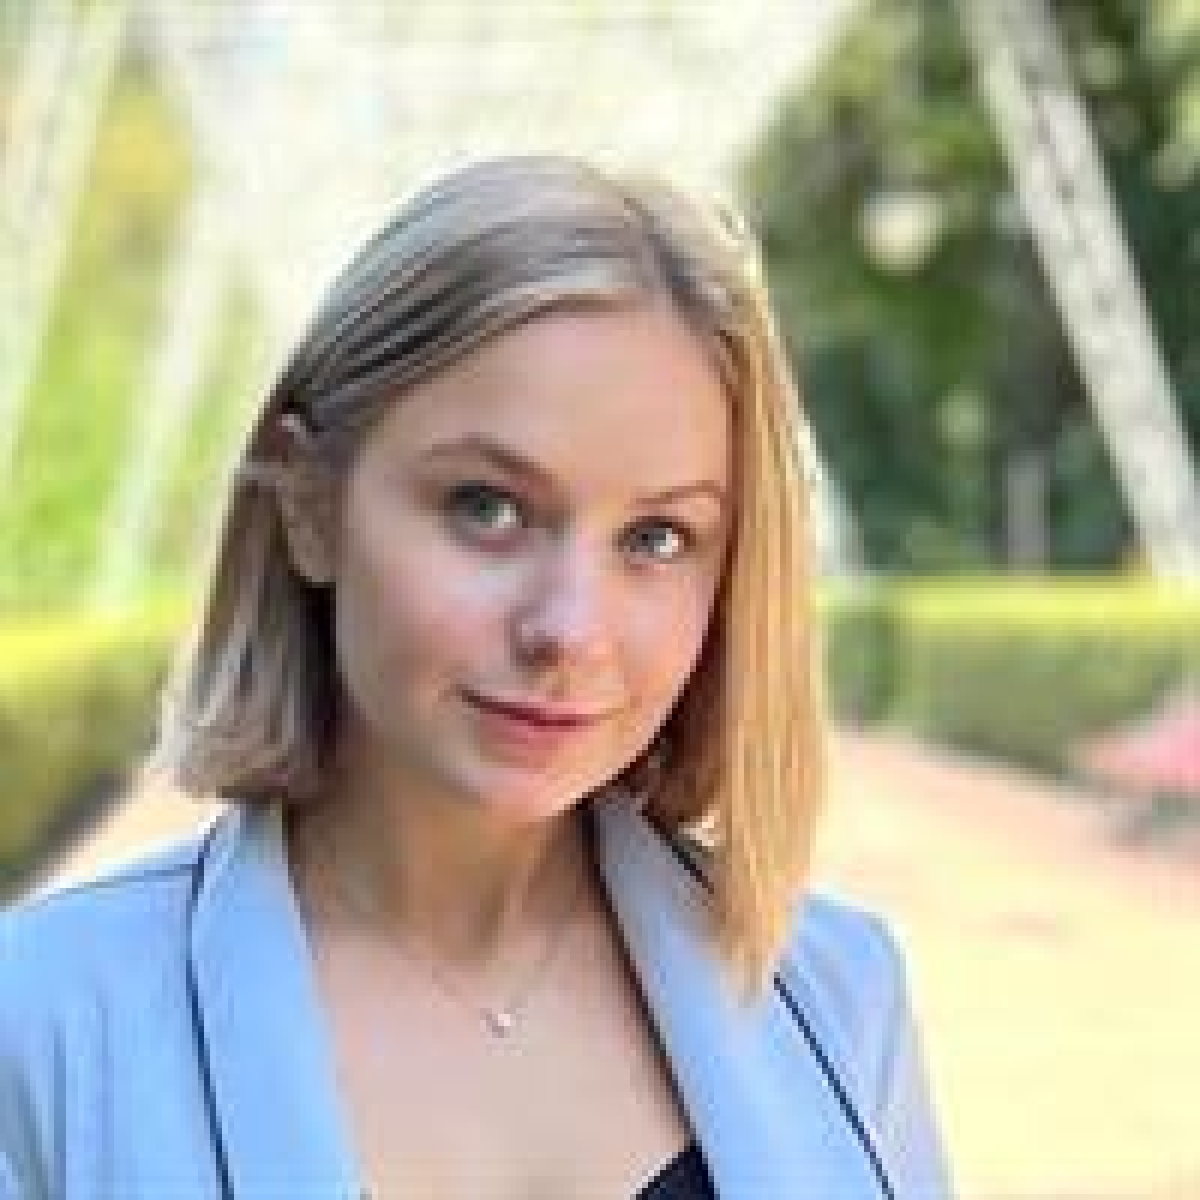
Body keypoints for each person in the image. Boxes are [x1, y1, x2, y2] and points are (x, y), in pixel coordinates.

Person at [0, 155, 954, 1198]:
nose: (570, 630)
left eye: (657, 537)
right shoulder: (45, 1024)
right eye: (487, 508)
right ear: (308, 501)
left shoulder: (840, 996)